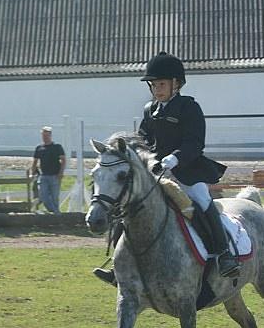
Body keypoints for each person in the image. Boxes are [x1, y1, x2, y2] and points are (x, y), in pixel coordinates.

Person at [93, 52, 239, 286]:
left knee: (203, 201)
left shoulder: (189, 107)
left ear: (176, 84)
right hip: (157, 173)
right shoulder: (149, 110)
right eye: (154, 84)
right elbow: (141, 141)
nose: (157, 89)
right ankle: (117, 266)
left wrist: (176, 158)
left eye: (162, 84)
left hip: (187, 171)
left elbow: (195, 142)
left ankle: (224, 255)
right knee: (129, 208)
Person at [31, 126, 66, 213]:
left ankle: (55, 216)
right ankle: (56, 213)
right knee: (43, 196)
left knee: (54, 197)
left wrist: (61, 173)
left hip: (55, 175)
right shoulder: (39, 148)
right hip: (43, 175)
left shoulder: (57, 147)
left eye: (46, 135)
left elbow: (63, 160)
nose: (44, 138)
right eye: (43, 136)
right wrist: (32, 173)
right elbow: (35, 162)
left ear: (50, 135)